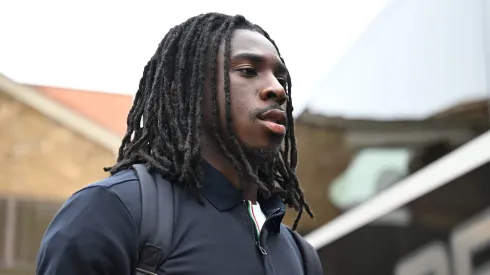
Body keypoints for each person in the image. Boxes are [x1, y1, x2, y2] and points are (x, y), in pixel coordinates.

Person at [36, 12, 321, 275]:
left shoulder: (301, 255)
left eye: (281, 78)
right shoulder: (112, 210)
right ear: (187, 90)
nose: (277, 89)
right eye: (247, 70)